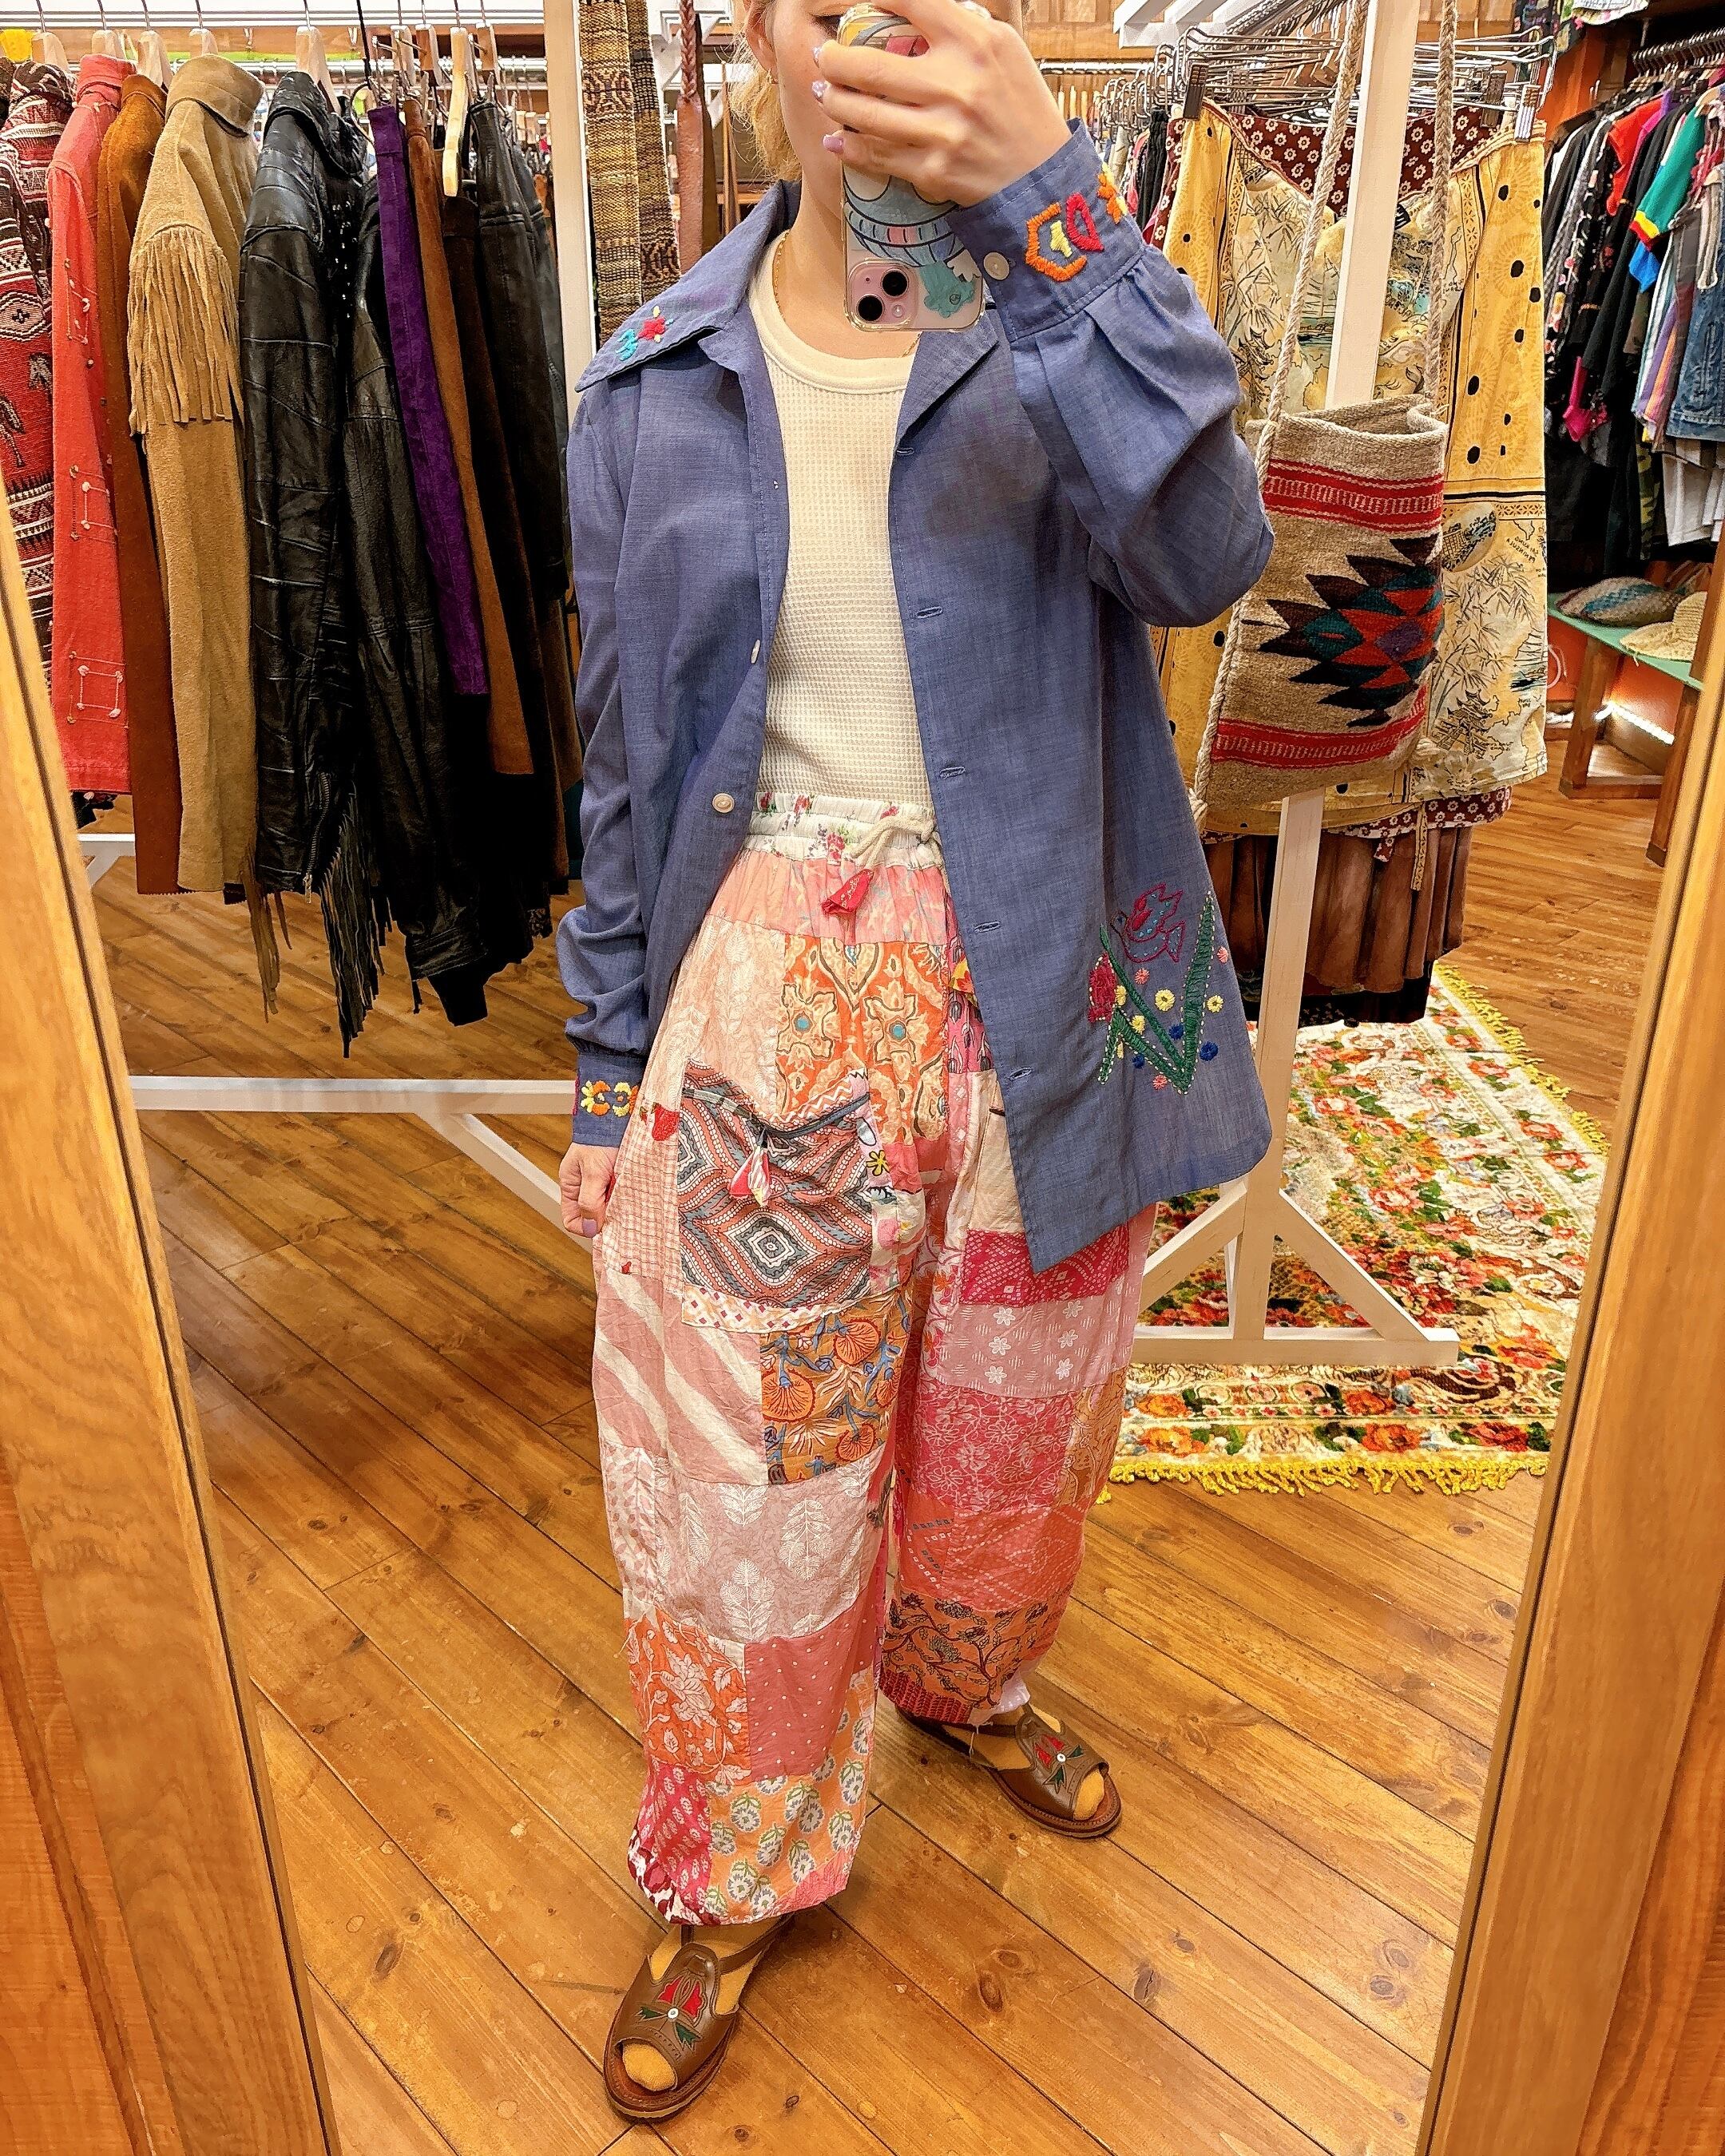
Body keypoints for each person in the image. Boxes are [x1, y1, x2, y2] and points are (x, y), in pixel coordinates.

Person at [556, 0, 1274, 2118]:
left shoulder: (1067, 320)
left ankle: (962, 1685)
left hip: (1053, 978)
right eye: (819, 2)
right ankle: (735, 1863)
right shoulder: (652, 382)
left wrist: (1053, 201)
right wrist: (603, 1067)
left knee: (1015, 1434)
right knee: (747, 1490)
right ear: (752, 32)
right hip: (765, 1007)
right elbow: (622, 771)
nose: (865, 39)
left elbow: (1210, 555)